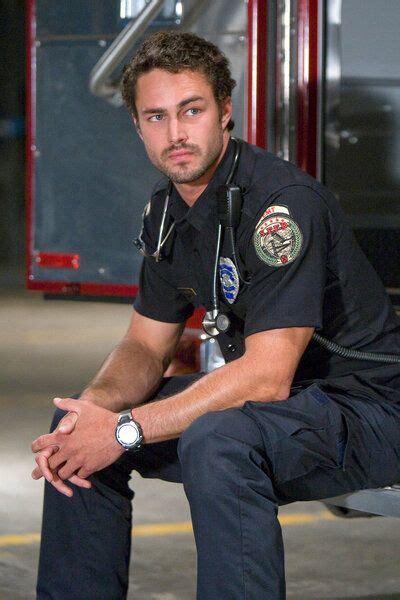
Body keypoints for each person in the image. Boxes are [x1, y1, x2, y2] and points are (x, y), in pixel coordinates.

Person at [32, 31, 400, 599]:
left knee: (218, 439)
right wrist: (98, 414)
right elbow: (143, 349)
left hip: (368, 406)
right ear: (137, 126)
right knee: (75, 432)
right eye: (155, 117)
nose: (175, 133)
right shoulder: (167, 212)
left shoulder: (279, 205)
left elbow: (266, 377)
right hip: (292, 408)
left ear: (225, 112)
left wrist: (125, 430)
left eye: (191, 110)